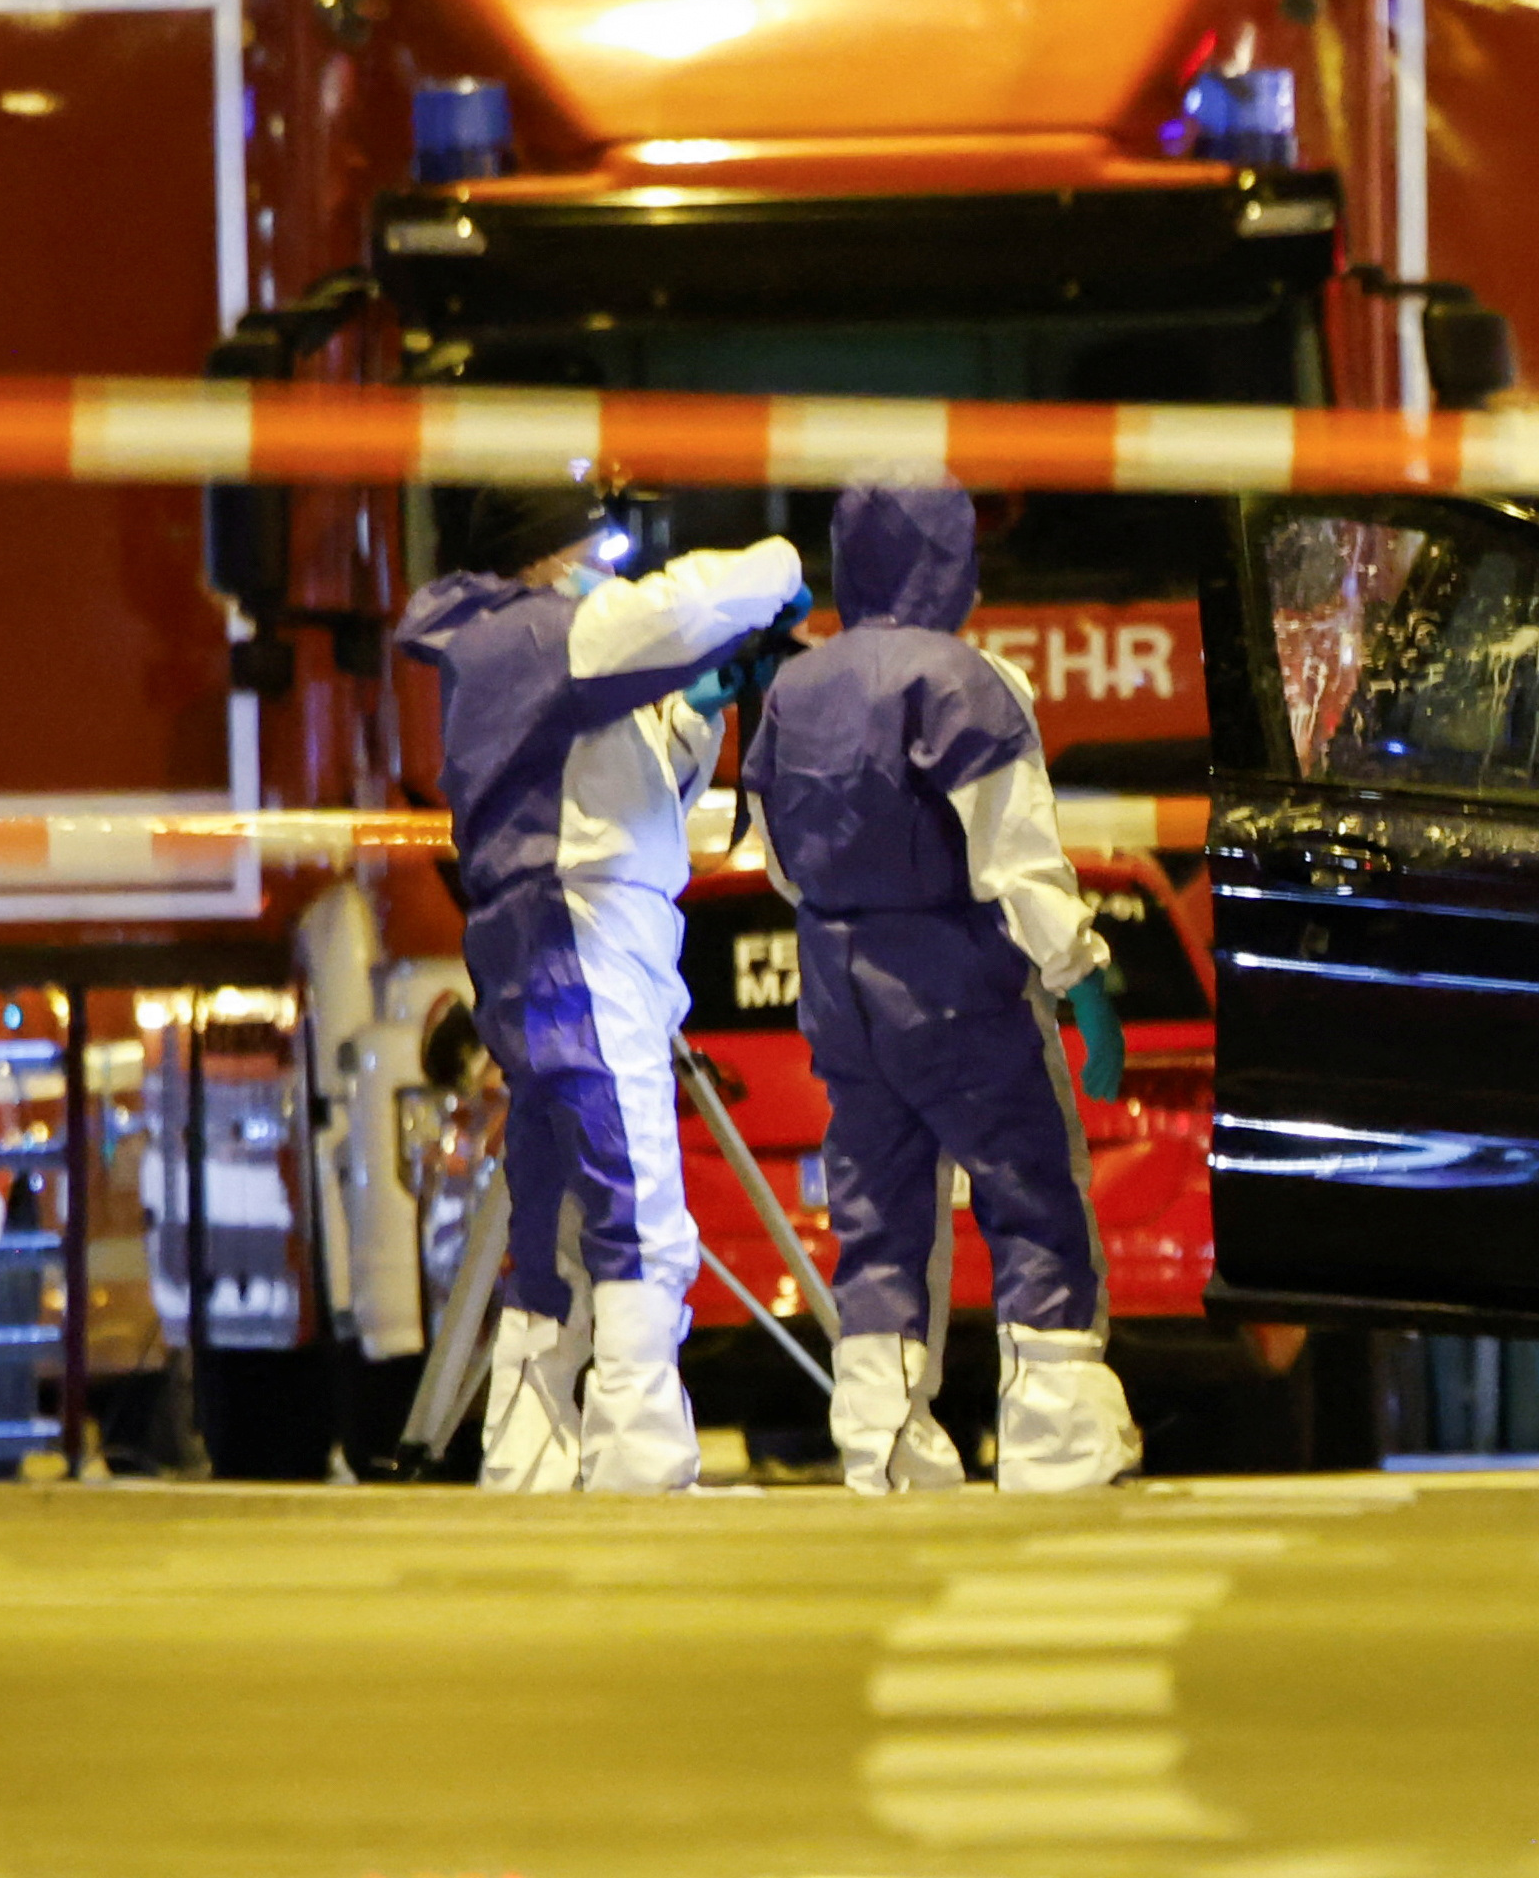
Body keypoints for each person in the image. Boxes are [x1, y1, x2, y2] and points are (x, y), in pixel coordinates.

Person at [394, 477, 809, 1496]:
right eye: (596, 544)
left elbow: (625, 780)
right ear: (544, 552)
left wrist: (696, 716)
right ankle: (639, 1455)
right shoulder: (546, 636)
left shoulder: (522, 650)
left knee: (556, 1209)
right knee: (637, 1202)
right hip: (582, 934)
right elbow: (676, 607)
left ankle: (528, 1453)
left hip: (558, 930)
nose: (608, 563)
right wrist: (781, 571)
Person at [753, 478, 1139, 1495]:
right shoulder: (966, 680)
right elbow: (1019, 860)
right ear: (949, 560)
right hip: (959, 984)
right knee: (1028, 1193)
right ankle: (1056, 1435)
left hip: (840, 986)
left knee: (877, 1214)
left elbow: (779, 858)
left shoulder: (795, 687)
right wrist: (1086, 984)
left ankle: (880, 1439)